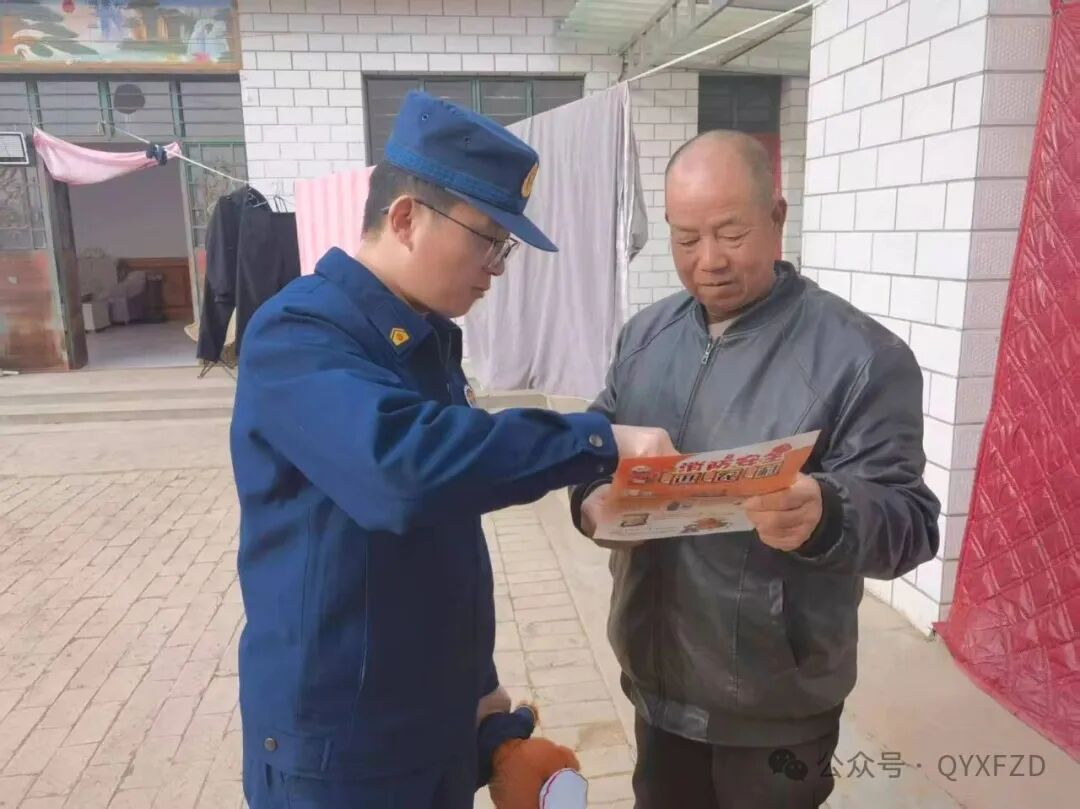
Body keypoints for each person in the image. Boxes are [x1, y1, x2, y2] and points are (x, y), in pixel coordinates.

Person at [231, 90, 675, 809]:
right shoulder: (302, 334)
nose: (496, 267)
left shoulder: (426, 336)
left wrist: (477, 688)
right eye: (488, 239)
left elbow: (441, 526)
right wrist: (599, 440)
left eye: (504, 247)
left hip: (431, 721)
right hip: (340, 748)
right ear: (406, 218)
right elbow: (404, 470)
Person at [570, 130, 941, 809]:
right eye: (686, 238)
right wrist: (592, 501)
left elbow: (912, 524)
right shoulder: (645, 337)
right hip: (656, 681)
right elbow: (592, 447)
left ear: (777, 217)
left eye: (731, 233)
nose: (708, 260)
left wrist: (828, 512)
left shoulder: (860, 357)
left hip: (777, 703)